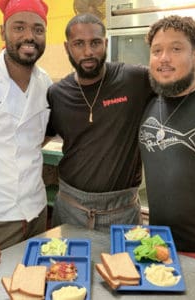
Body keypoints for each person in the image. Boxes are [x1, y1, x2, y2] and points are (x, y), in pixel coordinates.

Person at [46, 13, 153, 233]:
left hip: (122, 212)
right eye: (79, 44)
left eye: (95, 42)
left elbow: (178, 86)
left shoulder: (135, 80)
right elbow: (39, 138)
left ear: (105, 43)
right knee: (64, 267)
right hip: (70, 208)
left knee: (122, 268)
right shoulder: (57, 93)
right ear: (67, 47)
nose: (88, 52)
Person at [0, 0, 52, 264]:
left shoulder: (46, 83)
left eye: (38, 29)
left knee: (35, 284)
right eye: (19, 27)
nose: (29, 36)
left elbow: (41, 137)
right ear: (3, 32)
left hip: (36, 213)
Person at [139, 15, 195, 256]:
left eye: (176, 48)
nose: (164, 58)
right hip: (158, 246)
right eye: (157, 50)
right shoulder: (150, 101)